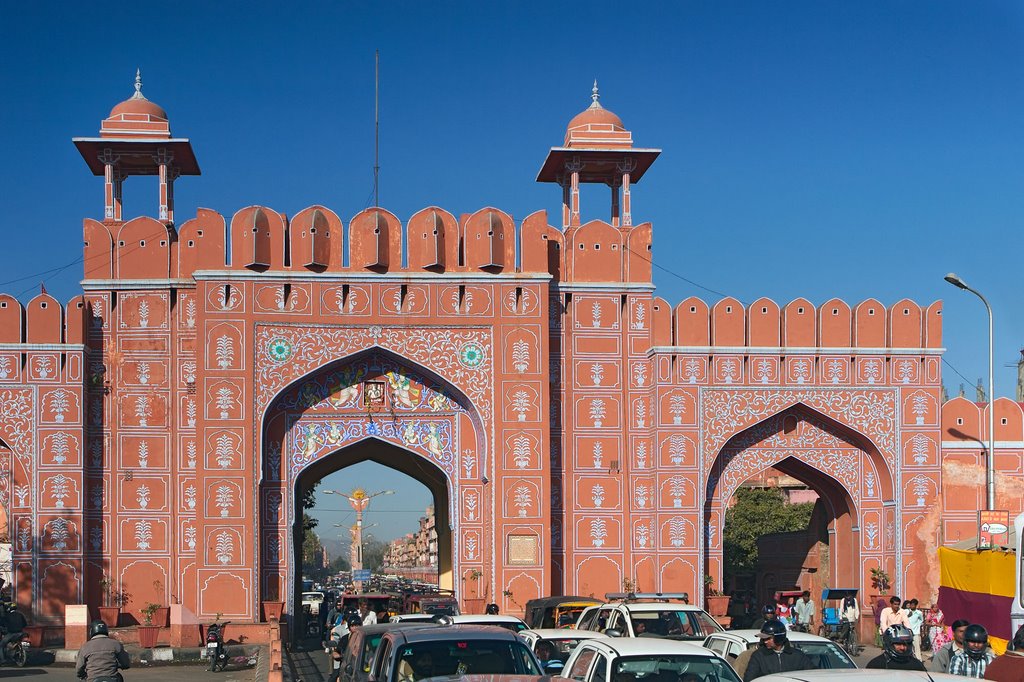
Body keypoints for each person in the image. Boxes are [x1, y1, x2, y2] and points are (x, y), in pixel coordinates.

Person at [743, 619, 815, 681]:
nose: (765, 641)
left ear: (779, 637)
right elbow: (749, 679)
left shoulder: (798, 656)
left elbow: (812, 675)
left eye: (768, 638)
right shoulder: (758, 656)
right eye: (764, 639)